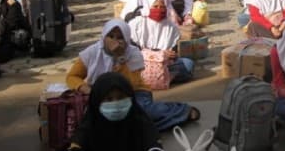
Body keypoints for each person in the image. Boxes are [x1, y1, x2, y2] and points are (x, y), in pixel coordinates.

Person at [66, 19, 199, 131]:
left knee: (140, 113)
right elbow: (72, 77)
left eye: (120, 37)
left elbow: (131, 84)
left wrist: (119, 58)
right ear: (103, 37)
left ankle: (181, 111)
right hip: (101, 95)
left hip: (134, 93)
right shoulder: (92, 53)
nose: (115, 41)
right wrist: (87, 89)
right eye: (111, 36)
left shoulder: (133, 53)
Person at [59, 72, 165, 151]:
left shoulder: (141, 124)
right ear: (97, 102)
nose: (115, 103)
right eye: (108, 99)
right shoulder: (88, 128)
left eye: (121, 97)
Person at [129, 0, 194, 84]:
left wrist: (171, 56)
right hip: (141, 63)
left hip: (163, 64)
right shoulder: (136, 24)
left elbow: (172, 54)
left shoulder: (171, 27)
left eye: (162, 7)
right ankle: (160, 78)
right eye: (155, 7)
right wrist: (159, 54)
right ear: (148, 6)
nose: (159, 10)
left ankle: (152, 78)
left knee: (188, 64)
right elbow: (133, 52)